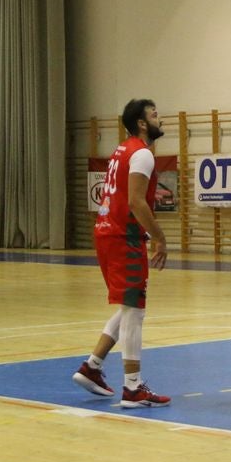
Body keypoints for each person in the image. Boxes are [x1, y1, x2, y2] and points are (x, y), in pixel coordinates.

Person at [74, 99, 170, 407]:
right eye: (155, 115)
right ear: (142, 124)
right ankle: (133, 387)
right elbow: (136, 202)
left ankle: (92, 366)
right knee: (135, 310)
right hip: (122, 235)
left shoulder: (122, 149)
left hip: (108, 232)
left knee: (129, 305)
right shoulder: (141, 153)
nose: (160, 119)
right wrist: (160, 238)